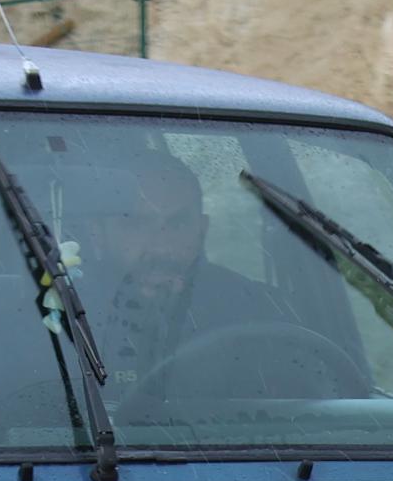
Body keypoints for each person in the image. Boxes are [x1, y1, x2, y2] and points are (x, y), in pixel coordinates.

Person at [65, 149, 325, 404]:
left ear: (202, 229)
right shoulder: (57, 320)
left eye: (178, 224)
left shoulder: (259, 312)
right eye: (137, 224)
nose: (162, 246)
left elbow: (310, 422)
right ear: (97, 233)